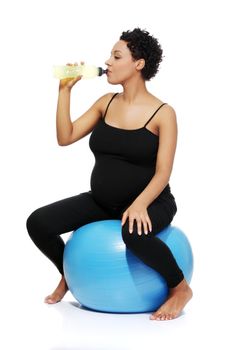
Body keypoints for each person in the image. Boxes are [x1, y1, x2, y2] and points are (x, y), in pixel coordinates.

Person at [26, 28, 192, 321]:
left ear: (138, 64)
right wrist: (64, 91)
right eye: (110, 56)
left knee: (133, 234)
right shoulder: (106, 102)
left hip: (152, 202)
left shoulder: (163, 113)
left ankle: (179, 288)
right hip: (102, 202)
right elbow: (65, 137)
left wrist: (140, 205)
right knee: (38, 222)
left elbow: (164, 172)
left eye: (117, 56)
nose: (109, 62)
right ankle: (66, 273)